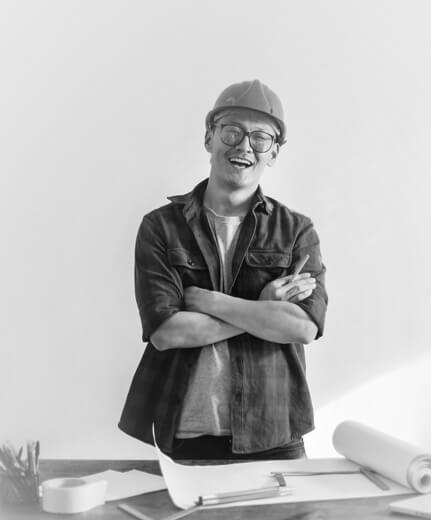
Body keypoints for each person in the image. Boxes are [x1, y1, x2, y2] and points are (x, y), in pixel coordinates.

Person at [118, 79, 328, 461]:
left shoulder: (296, 231)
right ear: (209, 138)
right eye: (232, 131)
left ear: (274, 153)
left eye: (261, 138)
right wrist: (263, 308)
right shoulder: (161, 227)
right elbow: (167, 332)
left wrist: (210, 301)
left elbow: (302, 328)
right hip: (186, 436)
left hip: (275, 435)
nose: (245, 146)